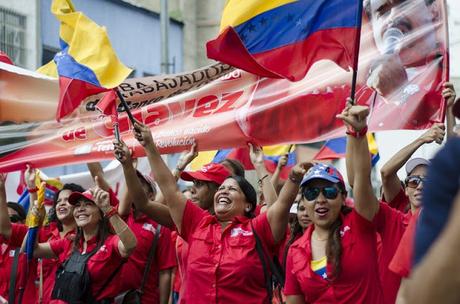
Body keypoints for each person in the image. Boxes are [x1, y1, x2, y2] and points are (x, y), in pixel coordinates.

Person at [132, 120, 307, 303]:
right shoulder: (197, 223)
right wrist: (149, 146)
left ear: (248, 205)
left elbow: (279, 206)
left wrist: (292, 178)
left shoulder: (257, 229)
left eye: (232, 189)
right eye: (222, 188)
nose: (223, 191)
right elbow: (169, 188)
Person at [32, 178, 137, 303]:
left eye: (88, 204)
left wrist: (108, 209)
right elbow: (33, 250)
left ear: (101, 214)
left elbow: (130, 245)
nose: (81, 209)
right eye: (77, 205)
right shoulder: (68, 242)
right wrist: (36, 222)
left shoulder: (110, 243)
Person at [113, 142, 177, 304]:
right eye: (132, 184)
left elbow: (165, 272)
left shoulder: (160, 227)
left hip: (144, 299)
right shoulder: (122, 217)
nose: (134, 189)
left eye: (140, 186)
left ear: (150, 195)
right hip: (113, 298)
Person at [405, 137, 460, 304]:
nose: (420, 186)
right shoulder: (450, 160)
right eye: (414, 182)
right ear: (405, 189)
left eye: (426, 181)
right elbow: (413, 296)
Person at [364, 0, 442, 97]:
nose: (393, 16)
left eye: (404, 5)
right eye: (383, 12)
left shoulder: (451, 76)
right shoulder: (359, 97)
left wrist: (400, 95)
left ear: (434, 11)